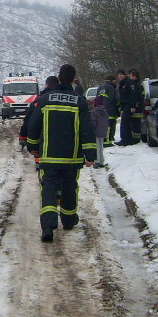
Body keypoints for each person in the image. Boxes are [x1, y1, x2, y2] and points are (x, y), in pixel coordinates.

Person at [25, 64, 96, 242]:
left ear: (58, 77)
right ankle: (69, 220)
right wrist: (90, 154)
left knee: (48, 189)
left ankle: (48, 226)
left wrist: (32, 145)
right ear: (73, 79)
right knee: (70, 188)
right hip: (72, 158)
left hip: (49, 156)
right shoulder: (79, 101)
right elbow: (87, 129)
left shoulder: (45, 99)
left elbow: (34, 124)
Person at [19, 75, 58, 148]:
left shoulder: (39, 101)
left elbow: (30, 121)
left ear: (47, 84)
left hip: (44, 142)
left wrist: (23, 136)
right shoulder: (74, 100)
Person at [116, 69, 139, 146]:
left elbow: (133, 95)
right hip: (124, 105)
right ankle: (127, 139)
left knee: (124, 123)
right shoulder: (122, 83)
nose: (119, 76)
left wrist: (133, 106)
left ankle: (124, 140)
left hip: (128, 105)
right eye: (118, 75)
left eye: (121, 74)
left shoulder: (129, 82)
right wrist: (121, 108)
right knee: (126, 123)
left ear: (124, 75)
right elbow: (122, 97)